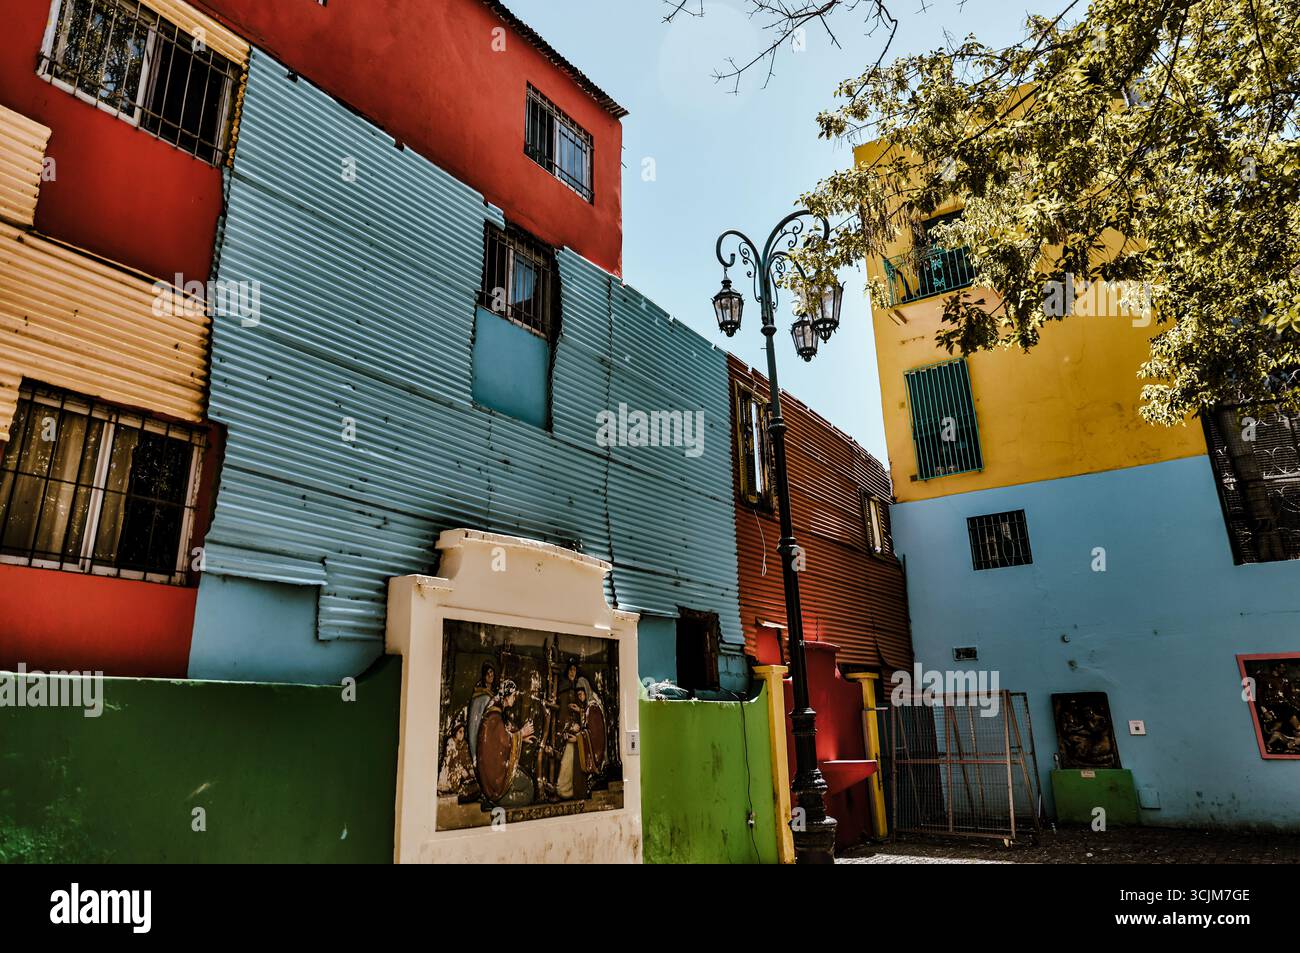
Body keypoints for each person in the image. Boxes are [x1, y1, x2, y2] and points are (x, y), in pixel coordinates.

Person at [475, 680, 536, 807]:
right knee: (529, 788)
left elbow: (501, 740)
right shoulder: (493, 716)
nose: (514, 698)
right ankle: (498, 800)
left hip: (495, 772)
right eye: (513, 695)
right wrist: (521, 733)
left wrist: (521, 739)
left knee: (526, 782)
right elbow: (502, 741)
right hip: (495, 777)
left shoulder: (495, 712)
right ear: (506, 696)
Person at [467, 662, 497, 763]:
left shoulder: (494, 694)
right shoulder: (481, 697)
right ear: (484, 676)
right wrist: (474, 754)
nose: (490, 675)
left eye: (491, 672)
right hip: (481, 740)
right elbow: (474, 725)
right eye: (487, 673)